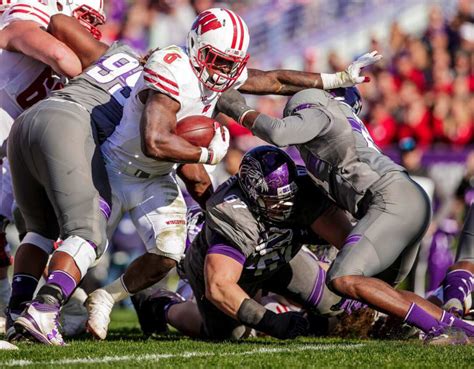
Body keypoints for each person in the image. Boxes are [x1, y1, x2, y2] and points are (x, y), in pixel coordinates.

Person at [85, 7, 383, 340]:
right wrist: (206, 152)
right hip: (130, 173)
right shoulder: (176, 71)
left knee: (334, 310)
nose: (225, 72)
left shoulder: (218, 75)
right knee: (231, 331)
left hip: (248, 237)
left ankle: (117, 296)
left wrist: (335, 79)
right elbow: (155, 141)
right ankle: (141, 304)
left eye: (231, 64)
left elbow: (275, 79)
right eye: (219, 61)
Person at [215, 86, 474, 345]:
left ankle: (451, 328)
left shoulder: (323, 111)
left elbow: (278, 132)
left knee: (342, 277)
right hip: (406, 201)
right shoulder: (343, 125)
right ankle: (447, 322)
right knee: (377, 297)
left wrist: (238, 109)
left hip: (390, 201)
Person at [133, 146, 357, 340]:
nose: (285, 206)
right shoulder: (233, 213)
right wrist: (269, 321)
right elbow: (219, 286)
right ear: (252, 194)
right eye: (274, 201)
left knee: (332, 303)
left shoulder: (303, 191)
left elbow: (349, 243)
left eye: (289, 197)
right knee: (230, 334)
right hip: (230, 271)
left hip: (277, 253)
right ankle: (158, 302)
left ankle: (304, 320)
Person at [0, 1, 105, 342]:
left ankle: (11, 309)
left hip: (12, 138)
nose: (89, 29)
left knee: (22, 226)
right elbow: (61, 57)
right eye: (86, 18)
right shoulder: (32, 13)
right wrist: (98, 70)